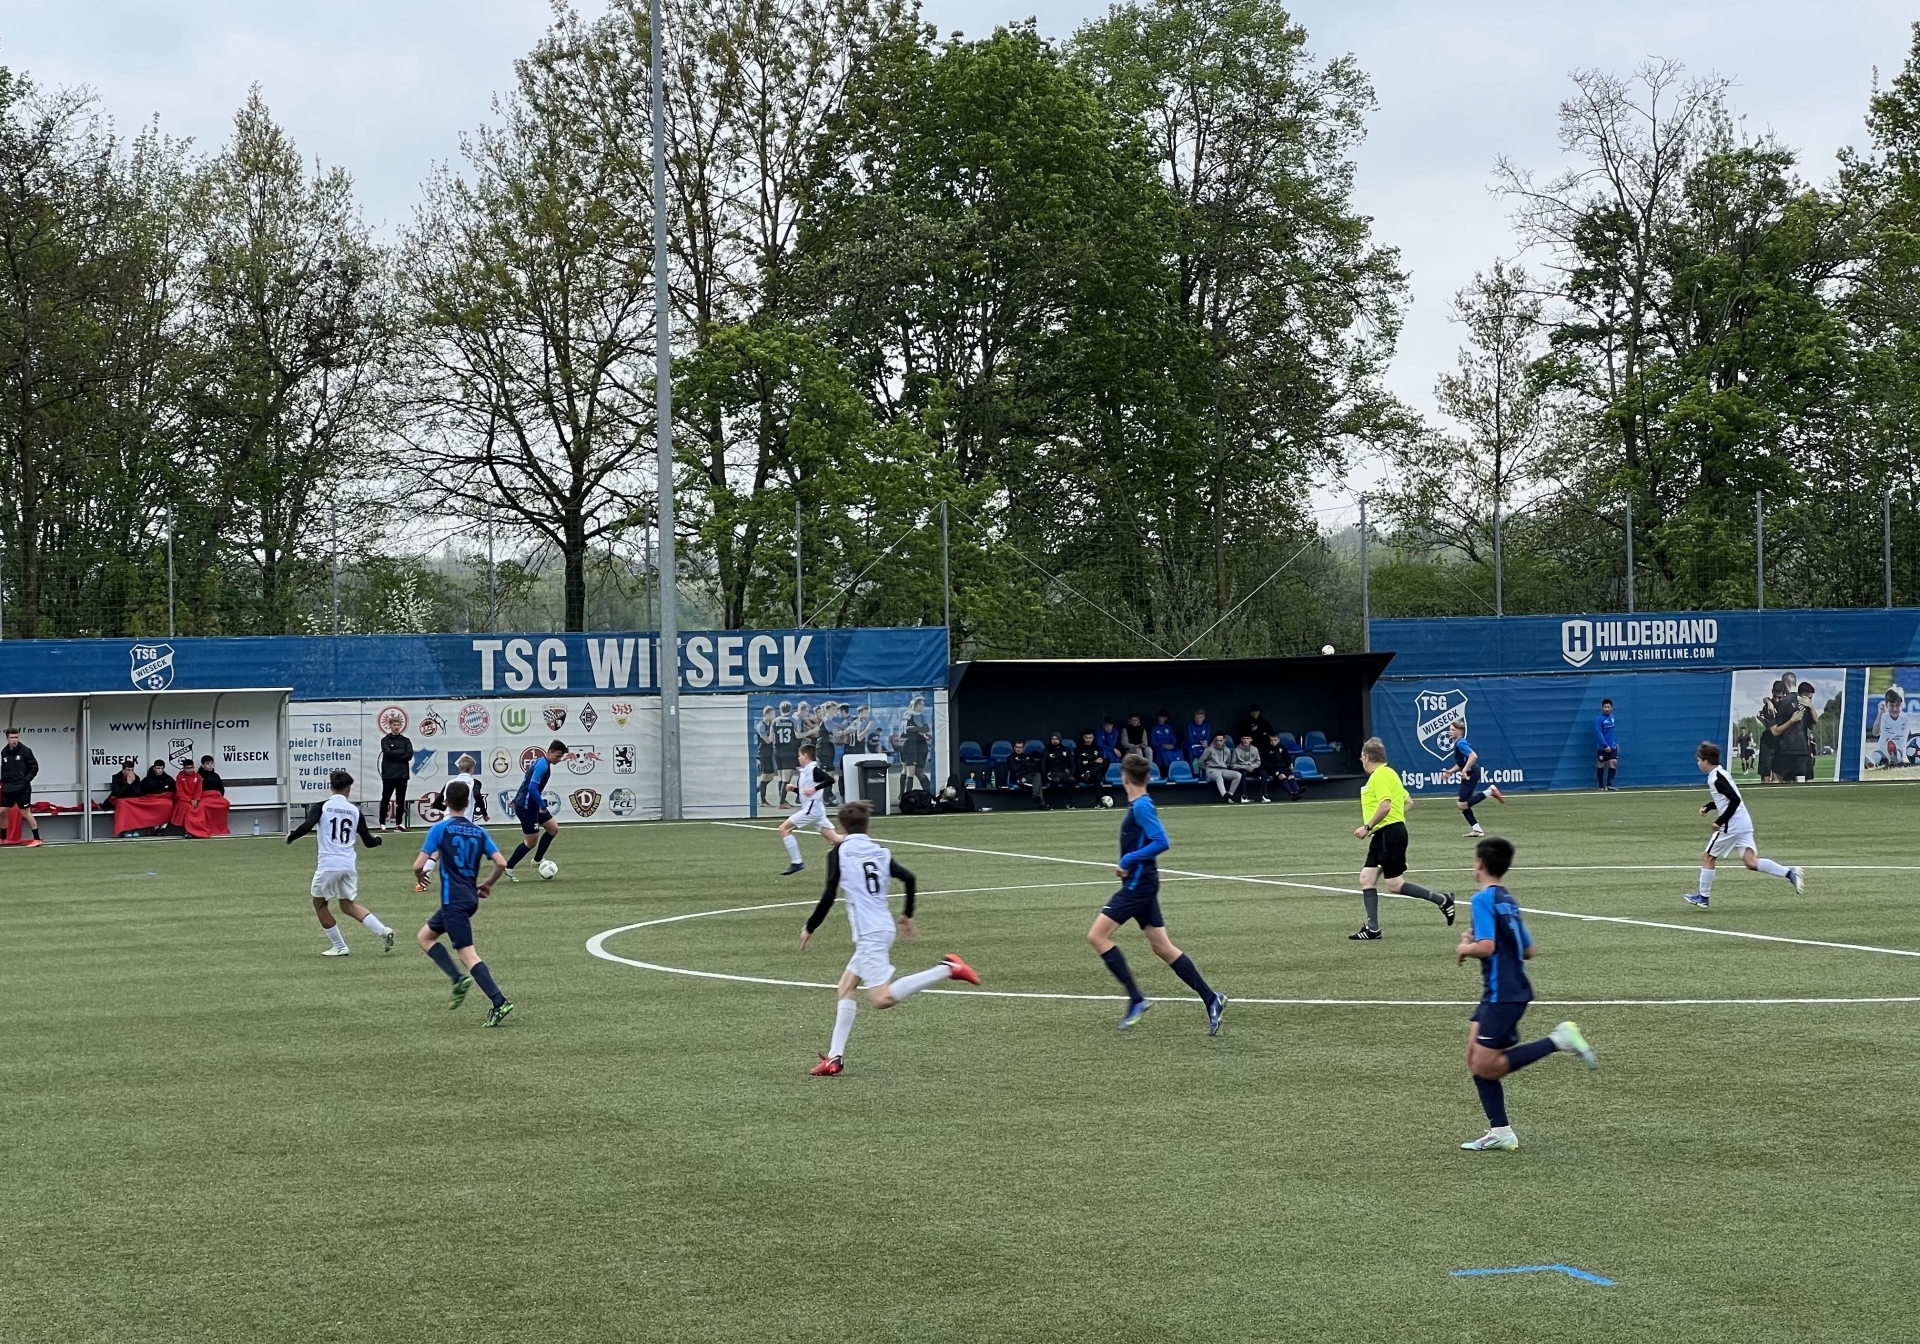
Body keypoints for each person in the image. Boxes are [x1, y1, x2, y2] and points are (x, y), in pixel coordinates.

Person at [800, 800, 980, 1075]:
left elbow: (828, 895)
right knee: (846, 986)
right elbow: (909, 878)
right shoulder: (880, 852)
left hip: (870, 934)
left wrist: (810, 926)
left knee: (882, 999)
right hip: (882, 927)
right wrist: (907, 914)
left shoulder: (838, 853)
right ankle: (834, 1059)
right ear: (868, 826)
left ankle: (947, 968)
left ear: (842, 827)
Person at [1456, 836, 1598, 1152]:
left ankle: (1558, 1041)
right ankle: (1500, 1131)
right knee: (1474, 1057)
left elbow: (1487, 947)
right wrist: (1480, 941)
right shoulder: (1507, 899)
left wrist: (1465, 948)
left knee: (1485, 1065)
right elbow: (1527, 949)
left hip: (1503, 993)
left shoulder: (1482, 899)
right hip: (1502, 989)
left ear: (1479, 864)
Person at [1087, 754, 1227, 1033]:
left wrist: (1128, 860)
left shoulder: (1141, 806)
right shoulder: (1140, 804)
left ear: (1124, 778)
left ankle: (1136, 999)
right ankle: (1212, 999)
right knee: (1162, 946)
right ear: (1147, 778)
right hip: (1141, 882)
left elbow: (1162, 841)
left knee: (1097, 936)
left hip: (1139, 886)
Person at [412, 780, 514, 1027]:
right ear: (468, 803)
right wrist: (487, 884)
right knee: (425, 937)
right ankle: (457, 979)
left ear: (445, 802)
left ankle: (499, 1001)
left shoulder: (440, 829)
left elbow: (418, 865)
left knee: (468, 955)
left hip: (453, 901)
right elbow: (501, 863)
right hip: (469, 898)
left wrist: (419, 876)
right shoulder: (479, 832)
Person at [1351, 737, 1455, 939]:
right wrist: (1394, 820)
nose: (1361, 760)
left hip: (1388, 834)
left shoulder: (1380, 775)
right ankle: (1372, 929)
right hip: (1386, 833)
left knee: (1395, 884)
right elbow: (1408, 802)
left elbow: (1385, 805)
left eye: (1362, 757)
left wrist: (1367, 827)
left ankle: (1443, 900)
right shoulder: (1390, 773)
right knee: (1367, 878)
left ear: (1367, 757)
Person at [285, 769, 396, 957]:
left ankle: (339, 946)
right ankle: (383, 930)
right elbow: (368, 842)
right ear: (349, 788)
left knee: (319, 904)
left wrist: (291, 837)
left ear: (331, 787)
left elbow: (307, 826)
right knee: (348, 905)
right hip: (348, 864)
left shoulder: (321, 807)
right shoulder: (354, 811)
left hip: (329, 864)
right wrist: (378, 840)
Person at [1686, 741, 1804, 907]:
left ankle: (1703, 897)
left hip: (1732, 825)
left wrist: (1720, 820)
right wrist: (1709, 806)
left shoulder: (1717, 778)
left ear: (1706, 760)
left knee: (1708, 857)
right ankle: (1790, 873)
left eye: (1699, 760)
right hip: (1743, 822)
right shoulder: (1720, 774)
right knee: (1751, 862)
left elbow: (1734, 800)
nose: (1698, 763)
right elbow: (1726, 798)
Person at [420, 753, 490, 891]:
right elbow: (477, 795)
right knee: (465, 852)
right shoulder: (474, 783)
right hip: (464, 823)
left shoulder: (450, 783)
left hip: (447, 821)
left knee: (437, 852)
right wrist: (484, 813)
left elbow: (436, 803)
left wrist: (447, 809)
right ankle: (463, 883)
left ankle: (423, 881)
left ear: (459, 768)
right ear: (472, 768)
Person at [504, 740, 566, 882]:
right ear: (549, 752)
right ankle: (509, 867)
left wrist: (517, 798)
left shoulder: (541, 762)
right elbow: (531, 787)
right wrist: (542, 805)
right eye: (558, 756)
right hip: (527, 808)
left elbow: (525, 782)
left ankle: (537, 860)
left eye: (561, 757)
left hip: (531, 804)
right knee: (530, 842)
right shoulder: (542, 765)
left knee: (553, 829)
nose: (559, 759)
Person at [779, 743, 841, 873]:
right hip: (816, 809)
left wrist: (815, 788)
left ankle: (797, 862)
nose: (798, 758)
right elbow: (806, 792)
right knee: (835, 840)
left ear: (806, 756)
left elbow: (830, 780)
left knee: (784, 828)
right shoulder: (806, 771)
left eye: (800, 755)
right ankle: (858, 842)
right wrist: (794, 789)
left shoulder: (813, 769)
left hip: (812, 809)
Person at [1443, 719, 1504, 837]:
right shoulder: (1459, 742)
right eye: (1450, 729)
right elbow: (1462, 762)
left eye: (1453, 730)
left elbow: (1473, 756)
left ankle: (1490, 791)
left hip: (1471, 774)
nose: (1450, 732)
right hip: (1470, 773)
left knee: (1462, 804)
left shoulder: (1460, 743)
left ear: (1459, 731)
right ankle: (1477, 829)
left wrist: (1464, 770)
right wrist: (1450, 771)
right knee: (1462, 804)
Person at [1770, 680, 1818, 782]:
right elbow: (1777, 728)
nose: (1810, 700)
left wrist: (1810, 706)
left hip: (1802, 749)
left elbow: (1814, 722)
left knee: (1803, 780)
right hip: (1786, 749)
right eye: (1809, 698)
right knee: (1777, 779)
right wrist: (1792, 720)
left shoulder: (1807, 707)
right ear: (1803, 695)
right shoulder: (1786, 702)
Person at [2, 727, 43, 847]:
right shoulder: (4, 752)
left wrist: (25, 781)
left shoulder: (25, 751)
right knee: (2, 810)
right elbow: (4, 769)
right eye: (12, 738)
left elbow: (34, 767)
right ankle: (3, 838)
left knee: (25, 812)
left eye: (16, 737)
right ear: (7, 738)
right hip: (8, 787)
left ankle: (37, 839)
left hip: (22, 788)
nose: (14, 740)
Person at [378, 723, 414, 831]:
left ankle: (399, 823)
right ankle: (382, 823)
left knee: (401, 800)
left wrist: (396, 754)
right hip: (389, 775)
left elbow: (409, 755)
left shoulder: (406, 740)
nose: (396, 727)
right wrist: (402, 752)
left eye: (398, 725)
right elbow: (388, 753)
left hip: (402, 775)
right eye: (394, 725)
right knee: (385, 799)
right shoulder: (385, 740)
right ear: (390, 726)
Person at [896, 695, 932, 793]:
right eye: (922, 705)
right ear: (917, 705)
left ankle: (901, 794)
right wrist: (920, 729)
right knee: (913, 772)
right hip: (912, 745)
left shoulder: (905, 714)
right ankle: (926, 792)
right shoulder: (917, 715)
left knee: (905, 770)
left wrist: (916, 730)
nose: (923, 707)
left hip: (902, 743)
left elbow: (911, 729)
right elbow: (925, 729)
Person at [1870, 685, 1909, 769]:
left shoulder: (1906, 719)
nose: (1895, 709)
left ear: (1902, 705)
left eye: (1897, 705)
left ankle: (1893, 760)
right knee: (1876, 756)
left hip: (1898, 750)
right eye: (1892, 705)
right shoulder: (1883, 717)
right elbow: (1875, 733)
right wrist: (1880, 713)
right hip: (1882, 750)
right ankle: (1870, 762)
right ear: (1886, 704)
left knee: (1897, 755)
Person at [1199, 732, 1241, 802]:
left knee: (1238, 775)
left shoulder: (1227, 750)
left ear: (1224, 740)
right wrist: (1207, 768)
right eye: (1217, 740)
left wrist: (1223, 767)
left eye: (1220, 740)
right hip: (1212, 770)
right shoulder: (1209, 749)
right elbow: (1200, 762)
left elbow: (1227, 763)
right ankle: (1225, 797)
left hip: (1223, 770)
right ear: (1214, 740)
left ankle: (1229, 794)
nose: (1218, 742)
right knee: (1219, 777)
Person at [1264, 732, 1303, 801]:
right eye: (1271, 740)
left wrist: (1287, 764)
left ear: (1278, 740)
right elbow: (1265, 762)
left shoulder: (1282, 747)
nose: (1273, 742)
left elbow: (1287, 757)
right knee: (1282, 776)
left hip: (1284, 767)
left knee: (1291, 776)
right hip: (1274, 769)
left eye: (1275, 740)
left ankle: (1297, 791)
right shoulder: (1267, 749)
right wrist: (1273, 767)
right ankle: (1291, 792)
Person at [1042, 732, 1076, 809]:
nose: (1055, 741)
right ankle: (1050, 802)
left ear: (1060, 739)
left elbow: (1072, 763)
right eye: (1053, 739)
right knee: (1055, 780)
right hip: (1052, 773)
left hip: (1063, 773)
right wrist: (1045, 774)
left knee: (1071, 780)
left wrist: (1072, 773)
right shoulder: (1047, 750)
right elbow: (1043, 763)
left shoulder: (1065, 749)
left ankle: (1070, 803)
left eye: (1057, 739)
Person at [755, 706, 780, 806]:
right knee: (764, 776)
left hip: (769, 753)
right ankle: (763, 800)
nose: (774, 716)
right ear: (766, 714)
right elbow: (767, 740)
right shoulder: (761, 725)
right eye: (772, 714)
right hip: (762, 753)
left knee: (771, 776)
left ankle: (755, 791)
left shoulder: (771, 724)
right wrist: (773, 733)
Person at [1231, 733, 1266, 801]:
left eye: (1247, 738)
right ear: (1241, 739)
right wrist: (1244, 767)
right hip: (1242, 769)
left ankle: (1264, 795)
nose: (1245, 740)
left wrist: (1253, 766)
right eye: (1244, 738)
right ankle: (1243, 796)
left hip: (1252, 768)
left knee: (1263, 773)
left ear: (1251, 740)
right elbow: (1233, 764)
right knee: (1243, 774)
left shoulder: (1255, 749)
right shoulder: (1236, 750)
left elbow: (1258, 762)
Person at [1595, 698, 1619, 791]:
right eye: (1605, 707)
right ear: (1602, 708)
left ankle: (1609, 784)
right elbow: (1599, 733)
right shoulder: (1599, 719)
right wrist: (1605, 745)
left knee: (1614, 762)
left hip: (1612, 745)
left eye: (1608, 707)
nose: (1607, 709)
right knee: (1601, 764)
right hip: (1603, 747)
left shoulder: (1612, 717)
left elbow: (1612, 731)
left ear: (1611, 708)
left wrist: (1616, 742)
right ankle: (1601, 785)